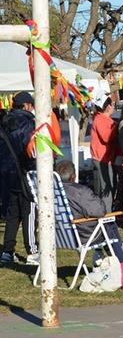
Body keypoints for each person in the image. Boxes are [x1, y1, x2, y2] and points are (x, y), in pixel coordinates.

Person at [54, 160, 123, 288]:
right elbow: (100, 211)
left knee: (106, 226)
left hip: (60, 235)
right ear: (73, 176)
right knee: (109, 224)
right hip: (84, 235)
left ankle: (111, 252)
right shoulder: (79, 191)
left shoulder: (50, 192)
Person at [0, 92, 38, 265]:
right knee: (29, 211)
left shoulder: (5, 121)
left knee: (12, 214)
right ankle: (32, 251)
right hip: (24, 173)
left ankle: (7, 252)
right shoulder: (27, 123)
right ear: (26, 105)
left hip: (7, 174)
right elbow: (30, 149)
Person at [90, 95, 119, 211]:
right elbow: (106, 137)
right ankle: (106, 215)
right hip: (102, 158)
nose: (113, 107)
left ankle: (106, 212)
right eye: (112, 104)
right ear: (108, 106)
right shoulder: (100, 119)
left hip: (106, 158)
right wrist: (116, 129)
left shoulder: (102, 119)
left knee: (108, 186)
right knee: (107, 187)